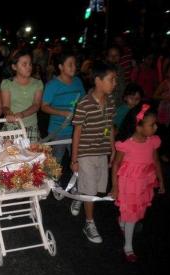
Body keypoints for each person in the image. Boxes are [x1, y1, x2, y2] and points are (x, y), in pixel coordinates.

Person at [111, 104, 165, 262]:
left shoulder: (152, 141)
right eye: (151, 124)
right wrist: (115, 187)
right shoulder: (126, 144)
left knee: (134, 212)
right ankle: (128, 247)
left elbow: (155, 160)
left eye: (156, 124)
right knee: (132, 215)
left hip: (144, 184)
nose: (155, 127)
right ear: (138, 126)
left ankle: (122, 221)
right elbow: (116, 164)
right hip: (128, 185)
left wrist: (161, 180)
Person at [70, 62, 117, 243]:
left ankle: (79, 195)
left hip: (101, 151)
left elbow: (109, 127)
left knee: (96, 187)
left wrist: (112, 149)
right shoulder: (84, 104)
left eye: (115, 80)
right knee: (90, 191)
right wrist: (74, 159)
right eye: (111, 80)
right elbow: (77, 132)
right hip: (85, 153)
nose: (114, 83)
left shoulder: (111, 102)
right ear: (98, 81)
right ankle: (89, 223)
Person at [42, 50, 85, 163]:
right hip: (58, 130)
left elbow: (84, 101)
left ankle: (75, 181)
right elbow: (44, 106)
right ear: (61, 67)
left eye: (75, 64)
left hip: (76, 129)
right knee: (57, 160)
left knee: (77, 160)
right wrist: (63, 113)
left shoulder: (78, 81)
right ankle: (55, 180)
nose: (74, 67)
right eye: (70, 64)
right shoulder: (52, 85)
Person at [1, 49, 43, 142]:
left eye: (30, 64)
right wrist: (8, 113)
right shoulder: (7, 83)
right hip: (12, 126)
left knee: (32, 155)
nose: (29, 67)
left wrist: (22, 114)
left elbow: (36, 105)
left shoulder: (37, 83)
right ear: (14, 67)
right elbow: (5, 106)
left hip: (31, 126)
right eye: (24, 64)